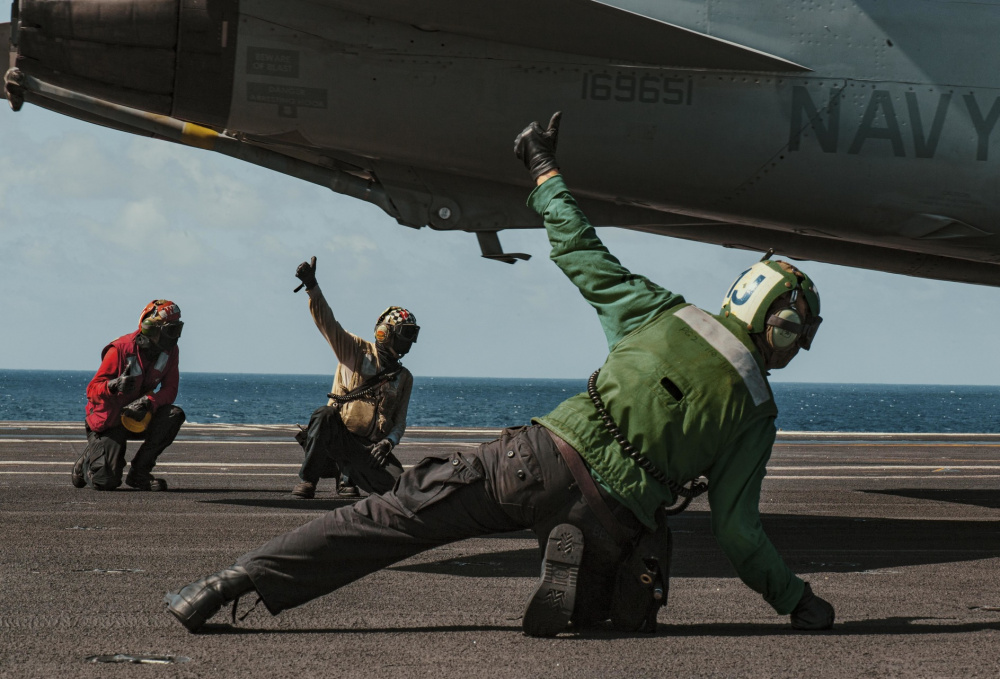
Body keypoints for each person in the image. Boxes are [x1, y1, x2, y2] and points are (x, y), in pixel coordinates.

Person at [165, 114, 835, 636]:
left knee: (389, 516)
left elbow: (578, 247)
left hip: (532, 459)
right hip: (613, 515)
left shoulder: (662, 314)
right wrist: (797, 600)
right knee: (637, 588)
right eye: (795, 338)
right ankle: (577, 562)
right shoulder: (755, 411)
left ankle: (228, 583)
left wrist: (543, 167)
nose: (792, 351)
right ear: (777, 327)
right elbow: (738, 532)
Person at [289, 256, 417, 500]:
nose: (409, 342)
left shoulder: (404, 378)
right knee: (324, 415)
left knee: (401, 490)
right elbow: (328, 323)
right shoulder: (355, 350)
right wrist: (312, 287)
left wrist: (388, 442)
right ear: (385, 333)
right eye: (404, 334)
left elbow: (399, 421)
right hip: (335, 440)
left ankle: (349, 475)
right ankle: (308, 481)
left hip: (368, 448)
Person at [72, 300, 185, 491]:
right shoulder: (120, 349)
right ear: (151, 328)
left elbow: (170, 389)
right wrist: (113, 385)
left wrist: (150, 402)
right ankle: (86, 463)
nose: (175, 337)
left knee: (173, 415)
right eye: (171, 330)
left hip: (138, 418)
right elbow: (92, 390)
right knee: (105, 482)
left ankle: (139, 474)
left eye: (177, 330)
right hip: (109, 421)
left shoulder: (171, 351)